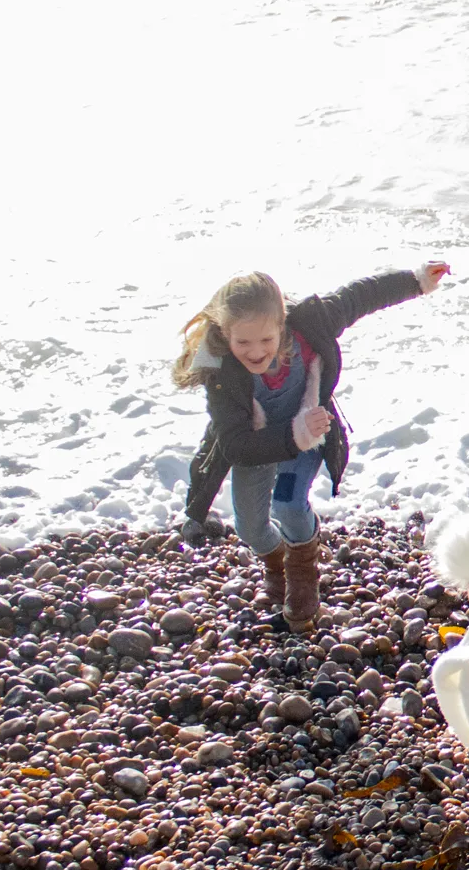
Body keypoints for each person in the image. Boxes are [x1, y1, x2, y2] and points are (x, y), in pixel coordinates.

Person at [175, 263, 448, 631]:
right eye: (243, 343)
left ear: (282, 324)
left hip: (309, 432)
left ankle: (302, 572)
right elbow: (237, 446)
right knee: (251, 528)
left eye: (266, 341)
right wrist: (292, 435)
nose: (256, 352)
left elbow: (359, 296)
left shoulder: (311, 324)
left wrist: (416, 281)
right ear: (225, 335)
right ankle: (278, 565)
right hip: (255, 443)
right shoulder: (221, 371)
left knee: (288, 504)